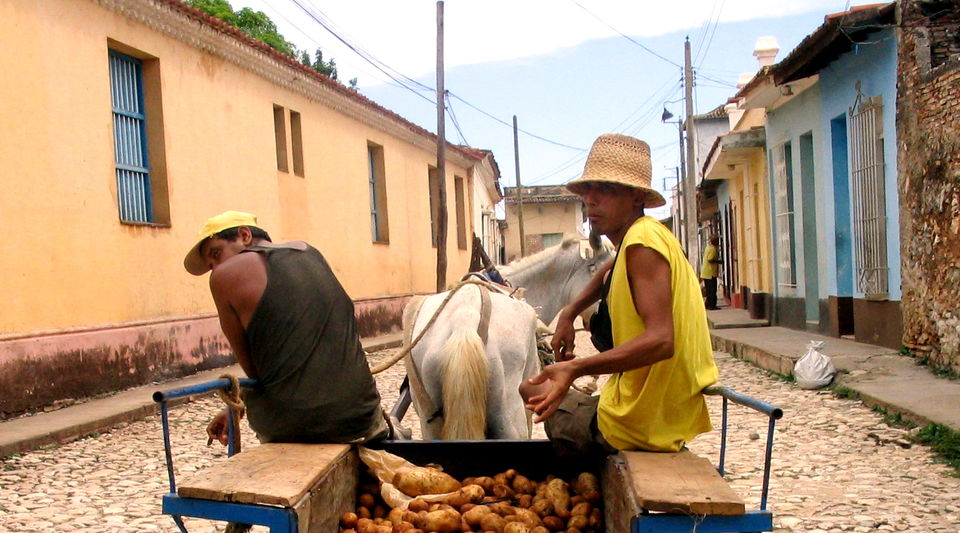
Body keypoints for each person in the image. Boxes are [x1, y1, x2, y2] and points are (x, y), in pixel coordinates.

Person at [520, 133, 718, 456]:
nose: (592, 200)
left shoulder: (641, 245)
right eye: (587, 190)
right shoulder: (644, 236)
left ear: (637, 197)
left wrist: (576, 368)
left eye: (607, 190)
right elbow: (607, 271)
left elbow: (661, 340)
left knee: (530, 387)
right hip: (656, 408)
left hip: (642, 420)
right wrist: (570, 311)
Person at [183, 211, 390, 445]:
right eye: (212, 264)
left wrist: (239, 403)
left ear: (244, 235)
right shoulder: (309, 252)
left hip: (293, 425)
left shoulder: (225, 275)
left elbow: (255, 370)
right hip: (361, 414)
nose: (216, 267)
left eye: (216, 254)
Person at [701, 235, 722, 310]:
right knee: (712, 290)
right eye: (718, 241)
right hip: (710, 273)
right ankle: (712, 305)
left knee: (709, 290)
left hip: (705, 272)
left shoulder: (708, 247)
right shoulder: (713, 249)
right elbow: (710, 259)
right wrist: (718, 261)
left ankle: (708, 304)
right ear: (715, 242)